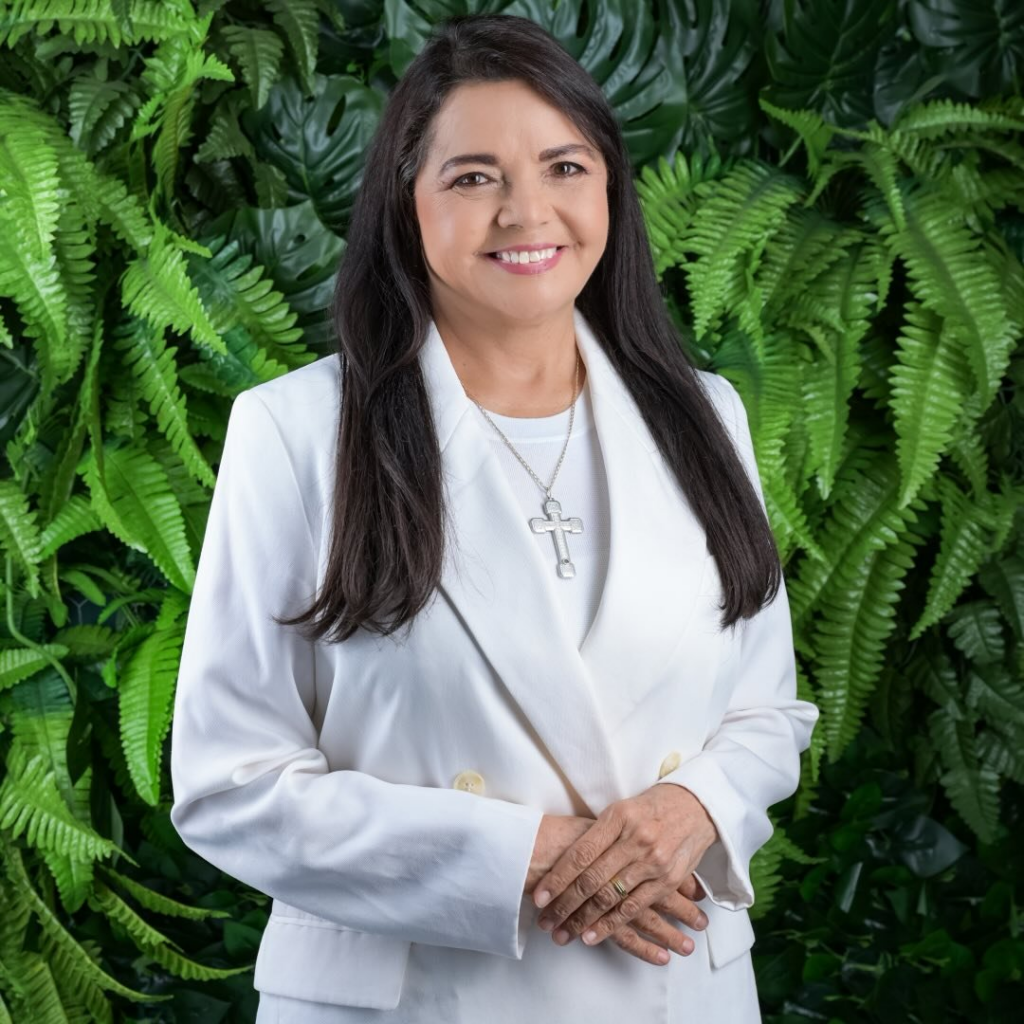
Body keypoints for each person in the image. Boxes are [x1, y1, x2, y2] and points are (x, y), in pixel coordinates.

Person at [169, 12, 820, 1023]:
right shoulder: (295, 433)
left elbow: (765, 712)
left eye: (565, 168)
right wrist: (522, 857)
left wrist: (692, 806)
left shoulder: (705, 416)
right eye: (474, 177)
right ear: (405, 204)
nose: (527, 212)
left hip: (674, 986)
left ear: (610, 189)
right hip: (414, 999)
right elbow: (230, 781)